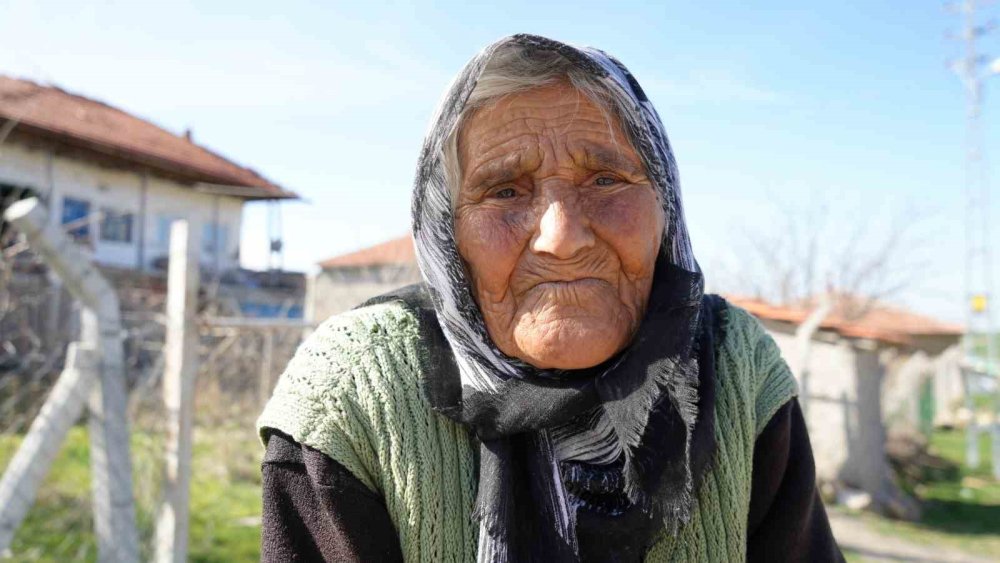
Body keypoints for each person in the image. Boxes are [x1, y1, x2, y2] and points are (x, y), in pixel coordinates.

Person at [257, 34, 843, 562]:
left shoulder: (735, 367)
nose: (561, 238)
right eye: (504, 191)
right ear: (446, 235)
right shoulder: (354, 389)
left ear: (664, 208)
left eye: (606, 180)